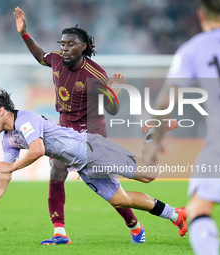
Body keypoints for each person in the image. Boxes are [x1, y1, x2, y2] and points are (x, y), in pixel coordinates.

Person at [0, 87, 188, 244]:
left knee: (148, 174)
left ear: (0, 111)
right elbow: (4, 174)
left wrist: (12, 167)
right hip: (83, 166)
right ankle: (176, 215)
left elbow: (38, 150)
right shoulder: (8, 138)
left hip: (92, 149)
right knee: (121, 200)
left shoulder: (26, 120)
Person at [13, 7, 145, 245]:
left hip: (91, 132)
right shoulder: (55, 60)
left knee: (108, 188)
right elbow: (39, 55)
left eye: (70, 44)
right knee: (56, 171)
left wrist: (111, 93)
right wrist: (24, 34)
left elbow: (113, 109)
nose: (64, 48)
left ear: (83, 46)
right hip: (64, 127)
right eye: (62, 43)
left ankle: (134, 225)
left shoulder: (96, 75)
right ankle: (60, 232)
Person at [141, 0, 220, 254]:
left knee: (198, 210)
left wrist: (154, 140)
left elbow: (166, 99)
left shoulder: (193, 49)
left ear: (201, 16)